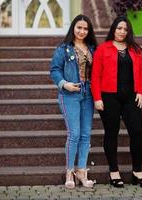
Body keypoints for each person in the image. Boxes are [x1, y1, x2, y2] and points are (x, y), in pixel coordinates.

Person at [91, 16, 142, 188]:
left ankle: (137, 171)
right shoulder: (103, 48)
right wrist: (97, 98)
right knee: (111, 133)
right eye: (119, 28)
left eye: (125, 29)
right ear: (113, 29)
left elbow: (139, 72)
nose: (122, 32)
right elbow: (95, 75)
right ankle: (114, 172)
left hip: (131, 97)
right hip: (109, 97)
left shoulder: (135, 49)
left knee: (137, 132)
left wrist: (140, 91)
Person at [50, 14, 97, 189]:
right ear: (73, 28)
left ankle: (82, 171)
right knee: (74, 134)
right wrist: (65, 84)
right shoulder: (63, 48)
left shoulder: (93, 48)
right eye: (79, 28)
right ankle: (69, 171)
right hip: (69, 95)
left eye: (85, 28)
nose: (82, 31)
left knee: (86, 134)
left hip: (88, 95)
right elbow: (54, 70)